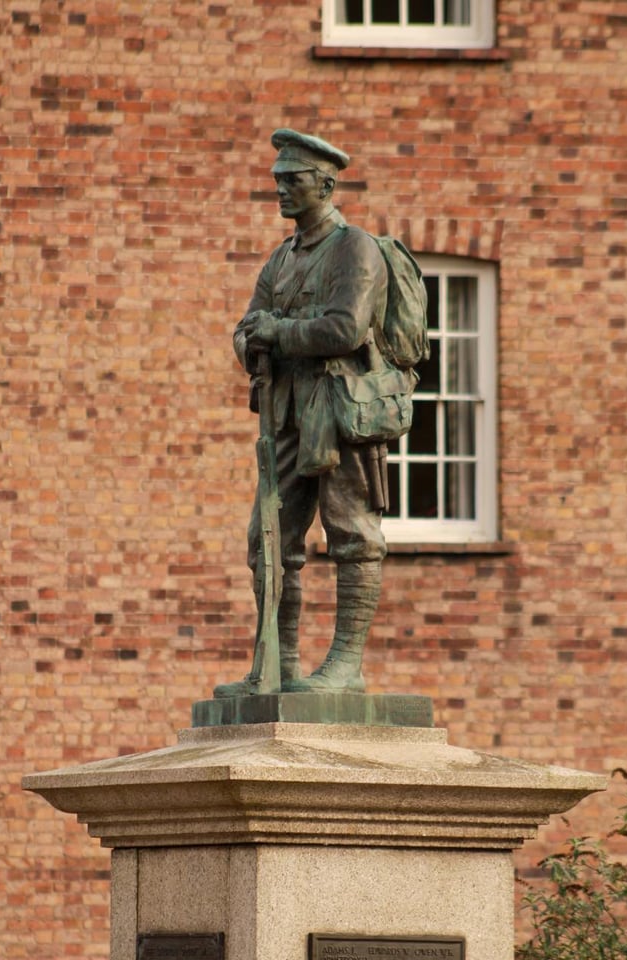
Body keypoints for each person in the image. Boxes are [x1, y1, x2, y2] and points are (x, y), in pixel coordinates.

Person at [215, 128, 403, 697]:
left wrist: (278, 331)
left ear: (325, 184)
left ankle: (346, 665)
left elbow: (346, 327)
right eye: (277, 181)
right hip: (286, 414)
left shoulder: (355, 248)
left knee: (352, 534)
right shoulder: (281, 259)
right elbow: (248, 327)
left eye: (292, 180)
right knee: (268, 540)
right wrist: (252, 341)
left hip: (341, 412)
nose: (281, 190)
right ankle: (279, 664)